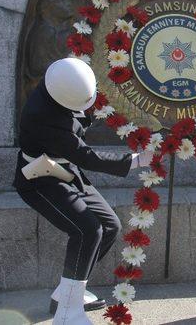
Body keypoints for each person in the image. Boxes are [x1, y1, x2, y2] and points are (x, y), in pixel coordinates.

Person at [13, 58, 153, 325]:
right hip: (40, 180)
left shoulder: (67, 80)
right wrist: (134, 160)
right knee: (87, 230)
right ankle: (67, 313)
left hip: (65, 171)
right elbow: (85, 156)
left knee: (109, 226)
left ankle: (67, 292)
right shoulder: (42, 116)